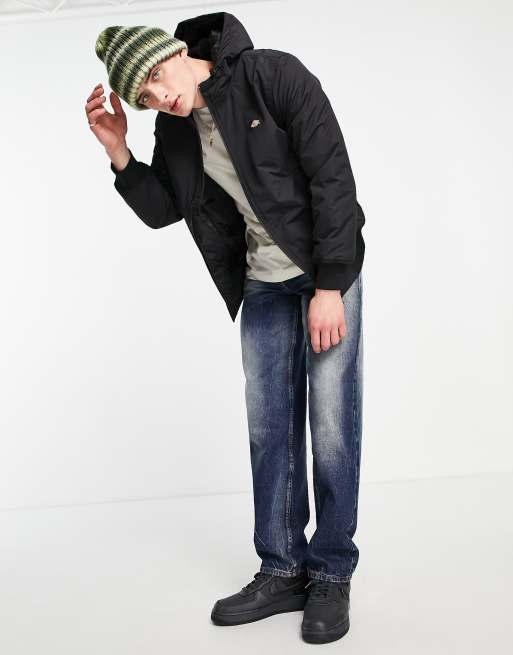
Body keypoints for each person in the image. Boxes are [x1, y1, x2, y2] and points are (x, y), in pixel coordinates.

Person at [86, 11, 365, 645]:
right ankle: (282, 568)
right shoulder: (174, 128)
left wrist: (330, 286)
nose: (159, 97)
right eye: (144, 95)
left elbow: (333, 177)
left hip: (325, 273)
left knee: (331, 428)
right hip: (262, 284)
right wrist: (118, 150)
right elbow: (166, 208)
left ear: (176, 53)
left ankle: (330, 574)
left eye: (156, 78)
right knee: (270, 430)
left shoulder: (272, 75)